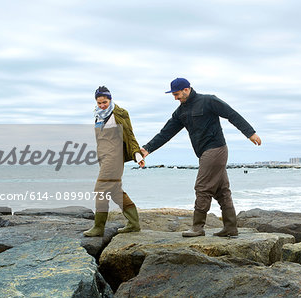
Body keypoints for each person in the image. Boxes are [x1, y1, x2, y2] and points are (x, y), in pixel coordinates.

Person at [140, 78, 261, 238]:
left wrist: (250, 133)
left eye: (177, 94)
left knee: (202, 187)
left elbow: (231, 114)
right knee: (222, 191)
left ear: (186, 89)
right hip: (204, 153)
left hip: (216, 149)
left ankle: (198, 227)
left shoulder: (208, 101)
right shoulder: (180, 112)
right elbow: (165, 133)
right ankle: (230, 228)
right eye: (173, 95)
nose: (175, 98)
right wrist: (147, 149)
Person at [83, 86, 145, 237]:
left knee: (100, 189)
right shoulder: (98, 116)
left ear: (110, 99)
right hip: (103, 159)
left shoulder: (120, 113)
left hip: (114, 158)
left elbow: (130, 135)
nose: (102, 105)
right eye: (99, 103)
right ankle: (134, 223)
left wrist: (137, 155)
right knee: (115, 191)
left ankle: (98, 227)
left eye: (105, 102)